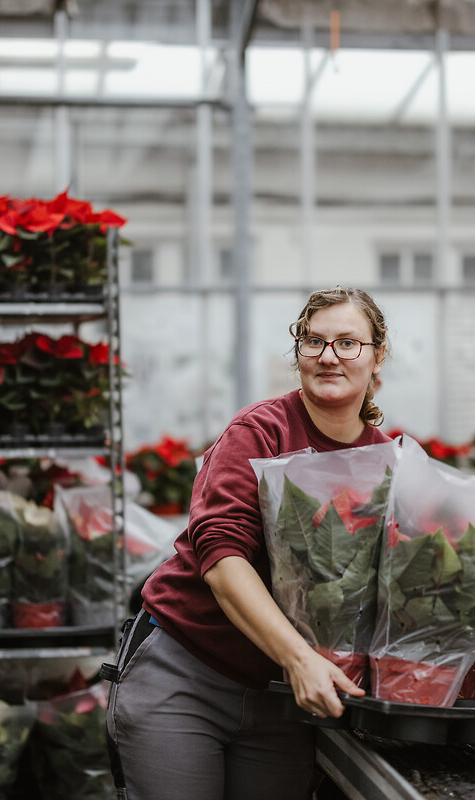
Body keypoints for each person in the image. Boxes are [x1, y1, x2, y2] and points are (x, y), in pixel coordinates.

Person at [106, 286, 392, 800]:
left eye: (348, 343)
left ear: (377, 357)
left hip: (286, 699)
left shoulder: (388, 462)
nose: (328, 356)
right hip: (189, 673)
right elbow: (219, 555)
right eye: (313, 341)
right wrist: (300, 659)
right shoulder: (261, 431)